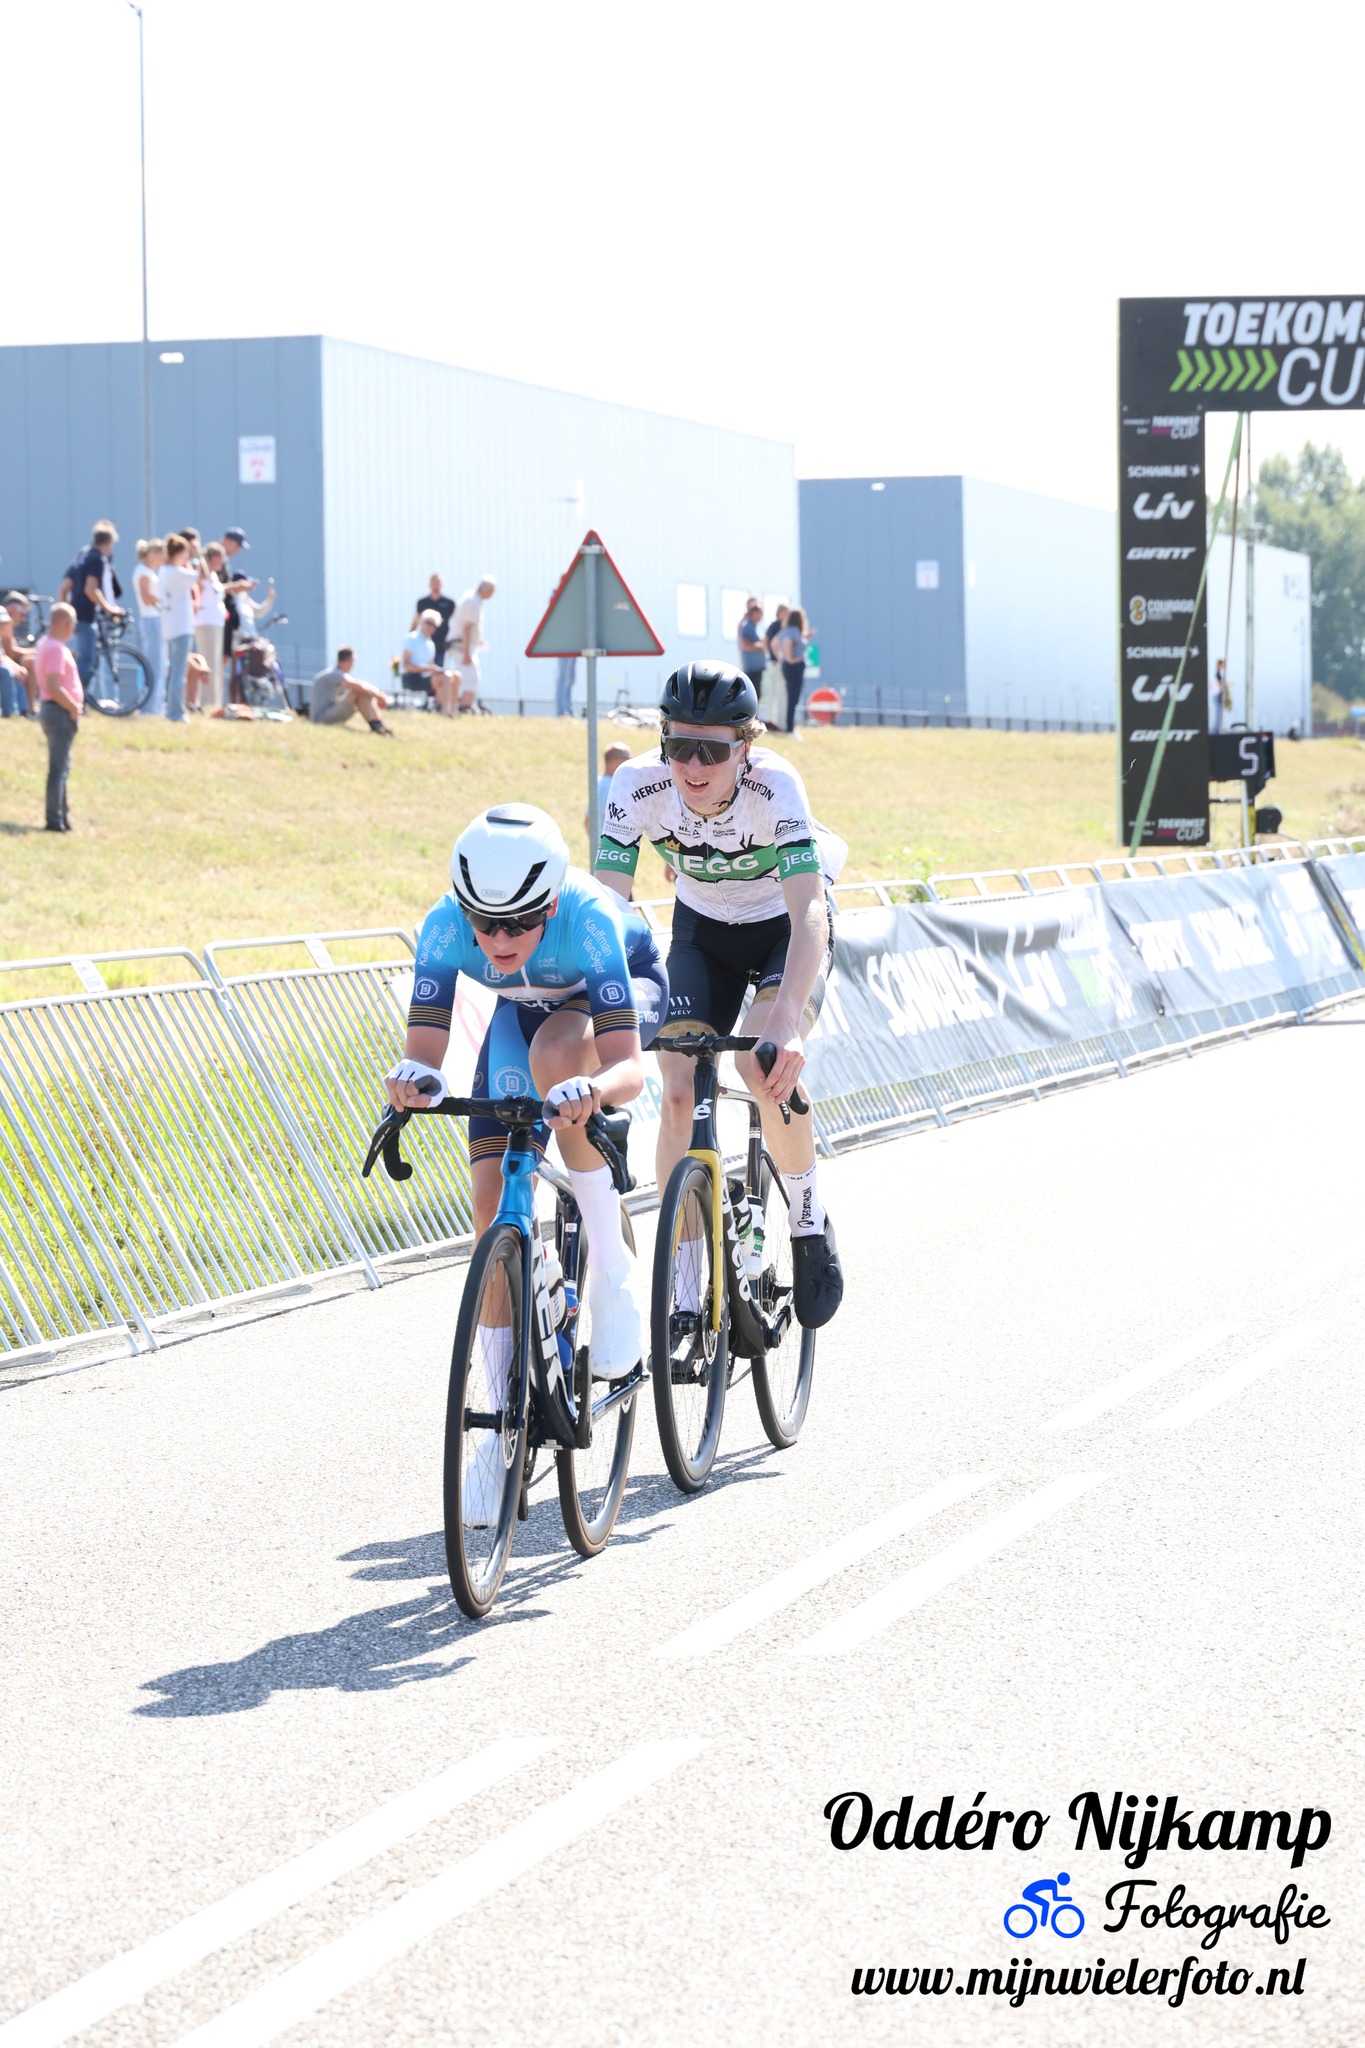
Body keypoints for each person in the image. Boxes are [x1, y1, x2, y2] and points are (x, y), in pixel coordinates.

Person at [384, 805, 667, 1514]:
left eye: (517, 922)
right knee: (489, 1209)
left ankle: (612, 1278)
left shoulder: (590, 921)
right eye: (484, 923)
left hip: (618, 997)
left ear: (550, 904)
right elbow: (425, 1052)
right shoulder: (443, 927)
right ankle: (498, 1426)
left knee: (558, 1052)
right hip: (523, 1016)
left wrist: (594, 1090)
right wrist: (414, 1081)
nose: (499, 939)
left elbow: (629, 1068)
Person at [593, 660, 846, 1329]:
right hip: (702, 933)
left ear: (746, 747)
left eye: (712, 750)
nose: (693, 765)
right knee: (677, 1091)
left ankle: (808, 1222)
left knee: (760, 1065)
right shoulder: (635, 785)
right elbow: (606, 908)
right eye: (679, 747)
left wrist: (785, 1021)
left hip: (780, 931)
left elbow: (808, 910)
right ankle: (683, 1280)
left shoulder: (775, 786)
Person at [33, 601, 82, 831]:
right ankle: (54, 819)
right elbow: (54, 686)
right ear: (65, 624)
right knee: (59, 769)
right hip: (59, 711)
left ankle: (62, 816)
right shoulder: (56, 649)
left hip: (52, 709)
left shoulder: (45, 644)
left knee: (61, 767)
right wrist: (73, 707)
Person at [70, 522, 124, 686]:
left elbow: (66, 585)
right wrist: (109, 608)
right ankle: (76, 695)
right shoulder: (97, 559)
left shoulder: (84, 557)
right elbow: (91, 589)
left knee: (88, 658)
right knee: (88, 659)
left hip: (78, 613)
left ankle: (80, 695)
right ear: (108, 543)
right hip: (85, 615)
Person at [158, 535, 198, 722]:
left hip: (170, 626)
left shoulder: (164, 571)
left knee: (174, 671)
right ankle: (176, 712)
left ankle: (171, 708)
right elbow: (201, 576)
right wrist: (199, 556)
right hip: (181, 627)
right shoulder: (175, 573)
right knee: (179, 672)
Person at [310, 648, 393, 734]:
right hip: (321, 719)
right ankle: (376, 725)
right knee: (358, 692)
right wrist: (380, 696)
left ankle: (378, 725)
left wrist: (377, 694)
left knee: (362, 693)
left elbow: (360, 684)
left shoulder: (337, 674)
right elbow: (359, 686)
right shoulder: (334, 674)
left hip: (328, 714)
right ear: (350, 661)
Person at [193, 543, 229, 712]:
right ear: (213, 558)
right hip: (205, 622)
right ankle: (205, 701)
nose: (223, 562)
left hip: (216, 623)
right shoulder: (203, 574)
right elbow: (200, 583)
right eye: (220, 558)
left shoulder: (214, 575)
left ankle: (215, 701)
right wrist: (201, 556)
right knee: (208, 661)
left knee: (215, 664)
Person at [132, 540, 166, 715]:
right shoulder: (143, 572)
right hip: (151, 620)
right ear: (151, 554)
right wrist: (166, 598)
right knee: (154, 665)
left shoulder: (149, 572)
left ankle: (156, 705)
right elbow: (147, 598)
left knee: (160, 665)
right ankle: (149, 707)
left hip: (155, 619)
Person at [453, 576, 495, 711]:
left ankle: (463, 705)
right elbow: (466, 628)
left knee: (467, 676)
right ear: (486, 590)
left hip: (464, 645)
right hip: (462, 647)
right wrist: (466, 654)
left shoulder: (471, 598)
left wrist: (478, 640)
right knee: (471, 678)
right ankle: (464, 707)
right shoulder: (473, 602)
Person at [220, 526, 255, 669]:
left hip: (226, 617)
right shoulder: (215, 558)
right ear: (228, 541)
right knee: (218, 658)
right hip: (217, 617)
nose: (238, 550)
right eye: (237, 545)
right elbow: (214, 587)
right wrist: (237, 586)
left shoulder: (224, 560)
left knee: (224, 658)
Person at [400, 608, 448, 708]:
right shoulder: (411, 638)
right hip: (412, 677)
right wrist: (426, 668)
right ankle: (442, 708)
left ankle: (451, 708)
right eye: (428, 623)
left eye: (434, 625)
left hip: (426, 677)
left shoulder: (431, 644)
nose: (430, 627)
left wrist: (437, 670)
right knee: (445, 678)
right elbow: (406, 665)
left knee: (454, 676)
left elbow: (431, 665)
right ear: (421, 622)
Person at [585, 742, 631, 839]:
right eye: (627, 759)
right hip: (613, 845)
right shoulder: (613, 787)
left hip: (601, 845)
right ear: (616, 760)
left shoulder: (597, 783)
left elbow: (587, 821)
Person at [0, 594, 36, 716]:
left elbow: (3, 654)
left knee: (20, 670)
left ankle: (24, 710)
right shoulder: (5, 628)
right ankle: (15, 710)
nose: (23, 618)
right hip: (4, 665)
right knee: (11, 670)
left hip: (4, 662)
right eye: (22, 613)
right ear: (13, 609)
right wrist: (35, 651)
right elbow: (10, 652)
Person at [414, 574, 456, 670]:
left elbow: (457, 621)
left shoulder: (449, 603)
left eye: (438, 582)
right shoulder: (422, 603)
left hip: (441, 646)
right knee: (423, 672)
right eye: (433, 582)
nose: (435, 585)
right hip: (424, 645)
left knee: (438, 672)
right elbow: (415, 621)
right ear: (429, 584)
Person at [778, 606, 809, 733]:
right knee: (793, 698)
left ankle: (790, 725)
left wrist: (782, 657)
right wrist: (790, 659)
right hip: (794, 667)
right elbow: (787, 642)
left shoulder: (786, 630)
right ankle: (790, 727)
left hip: (788, 667)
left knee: (791, 697)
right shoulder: (793, 631)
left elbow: (775, 643)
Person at [762, 602, 789, 729]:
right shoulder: (777, 626)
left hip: (773, 662)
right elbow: (768, 642)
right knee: (776, 692)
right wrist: (774, 657)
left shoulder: (776, 626)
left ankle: (773, 721)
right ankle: (773, 722)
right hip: (775, 663)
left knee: (774, 693)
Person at [737, 596, 768, 700]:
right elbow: (745, 645)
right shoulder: (747, 627)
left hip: (757, 669)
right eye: (759, 612)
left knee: (757, 695)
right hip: (752, 669)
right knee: (753, 696)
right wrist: (761, 646)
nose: (761, 615)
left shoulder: (755, 627)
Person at [1211, 657, 1231, 736]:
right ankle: (1216, 729)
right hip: (1217, 695)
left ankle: (1218, 727)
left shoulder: (1219, 674)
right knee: (1218, 713)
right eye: (1221, 665)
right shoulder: (1217, 674)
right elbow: (1220, 686)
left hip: (1218, 695)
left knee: (1219, 713)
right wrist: (1226, 685)